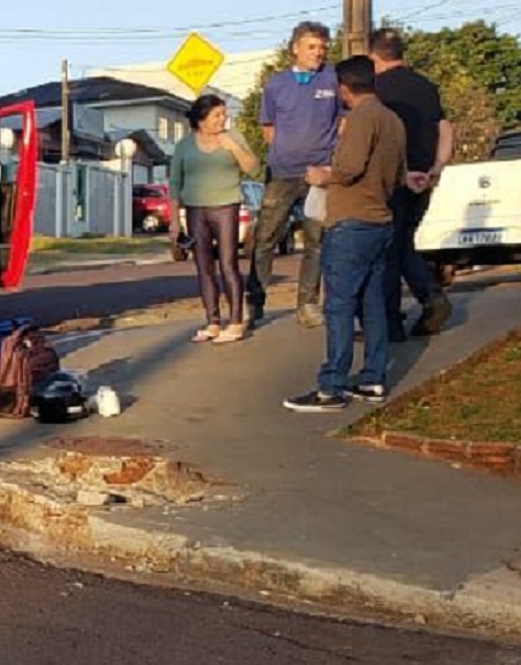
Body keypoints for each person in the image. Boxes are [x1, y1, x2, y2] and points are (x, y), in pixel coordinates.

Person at [284, 55, 406, 413]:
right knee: (373, 305)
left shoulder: (361, 119)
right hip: (381, 220)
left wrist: (322, 176)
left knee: (338, 305)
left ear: (344, 87)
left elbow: (349, 168)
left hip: (351, 222)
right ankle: (373, 378)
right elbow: (398, 175)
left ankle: (332, 386)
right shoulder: (393, 120)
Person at [368, 27, 456, 339]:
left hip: (394, 178)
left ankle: (390, 322)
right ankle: (430, 297)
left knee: (388, 249)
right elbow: (445, 129)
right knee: (404, 242)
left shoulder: (375, 91)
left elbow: (380, 140)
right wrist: (435, 168)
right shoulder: (426, 86)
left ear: (373, 56)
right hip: (424, 176)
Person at [249, 22, 339, 328]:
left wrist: (329, 162)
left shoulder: (332, 78)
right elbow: (267, 127)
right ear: (295, 48)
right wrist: (288, 150)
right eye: (312, 47)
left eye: (322, 47)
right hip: (282, 173)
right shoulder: (276, 84)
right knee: (265, 238)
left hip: (320, 175)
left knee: (316, 240)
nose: (319, 52)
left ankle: (308, 304)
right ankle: (254, 303)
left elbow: (344, 122)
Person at [168, 94, 261, 343]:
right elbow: (175, 182)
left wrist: (233, 147)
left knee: (228, 264)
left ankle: (236, 321)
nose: (223, 119)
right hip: (196, 209)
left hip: (226, 207)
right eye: (217, 115)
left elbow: (253, 167)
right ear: (201, 120)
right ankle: (212, 321)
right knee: (203, 266)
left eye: (224, 114)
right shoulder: (185, 145)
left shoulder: (234, 138)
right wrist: (175, 219)